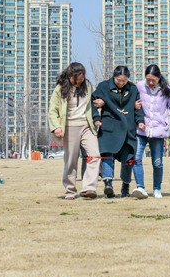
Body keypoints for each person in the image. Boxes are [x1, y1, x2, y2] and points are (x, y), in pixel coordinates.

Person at [129, 64, 170, 199]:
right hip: (141, 129)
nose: (150, 82)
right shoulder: (139, 86)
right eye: (148, 79)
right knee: (136, 158)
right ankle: (140, 187)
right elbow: (131, 101)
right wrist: (134, 105)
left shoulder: (166, 89)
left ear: (159, 77)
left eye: (153, 80)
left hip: (158, 130)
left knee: (157, 162)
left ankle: (157, 189)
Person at [48, 62, 100, 200]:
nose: (79, 81)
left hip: (87, 125)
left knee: (95, 155)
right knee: (71, 160)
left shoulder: (88, 85)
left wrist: (100, 104)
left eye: (81, 78)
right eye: (76, 79)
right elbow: (53, 110)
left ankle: (89, 188)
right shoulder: (60, 89)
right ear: (69, 76)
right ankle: (70, 190)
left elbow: (95, 101)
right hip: (69, 126)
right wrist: (56, 127)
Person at [91, 66, 145, 198]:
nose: (121, 83)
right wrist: (96, 118)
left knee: (128, 157)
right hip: (109, 126)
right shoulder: (103, 86)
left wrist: (140, 121)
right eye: (118, 80)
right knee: (107, 154)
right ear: (113, 77)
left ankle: (125, 186)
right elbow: (93, 102)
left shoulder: (133, 89)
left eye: (124, 80)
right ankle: (108, 184)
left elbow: (138, 107)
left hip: (127, 128)